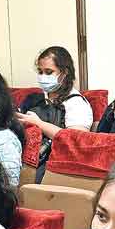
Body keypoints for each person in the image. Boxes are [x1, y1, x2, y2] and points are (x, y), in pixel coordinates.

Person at [16, 46, 93, 178]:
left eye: (48, 72)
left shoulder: (76, 103)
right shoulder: (35, 98)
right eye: (40, 72)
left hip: (57, 170)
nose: (42, 77)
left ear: (64, 73)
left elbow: (77, 141)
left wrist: (38, 123)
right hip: (24, 161)